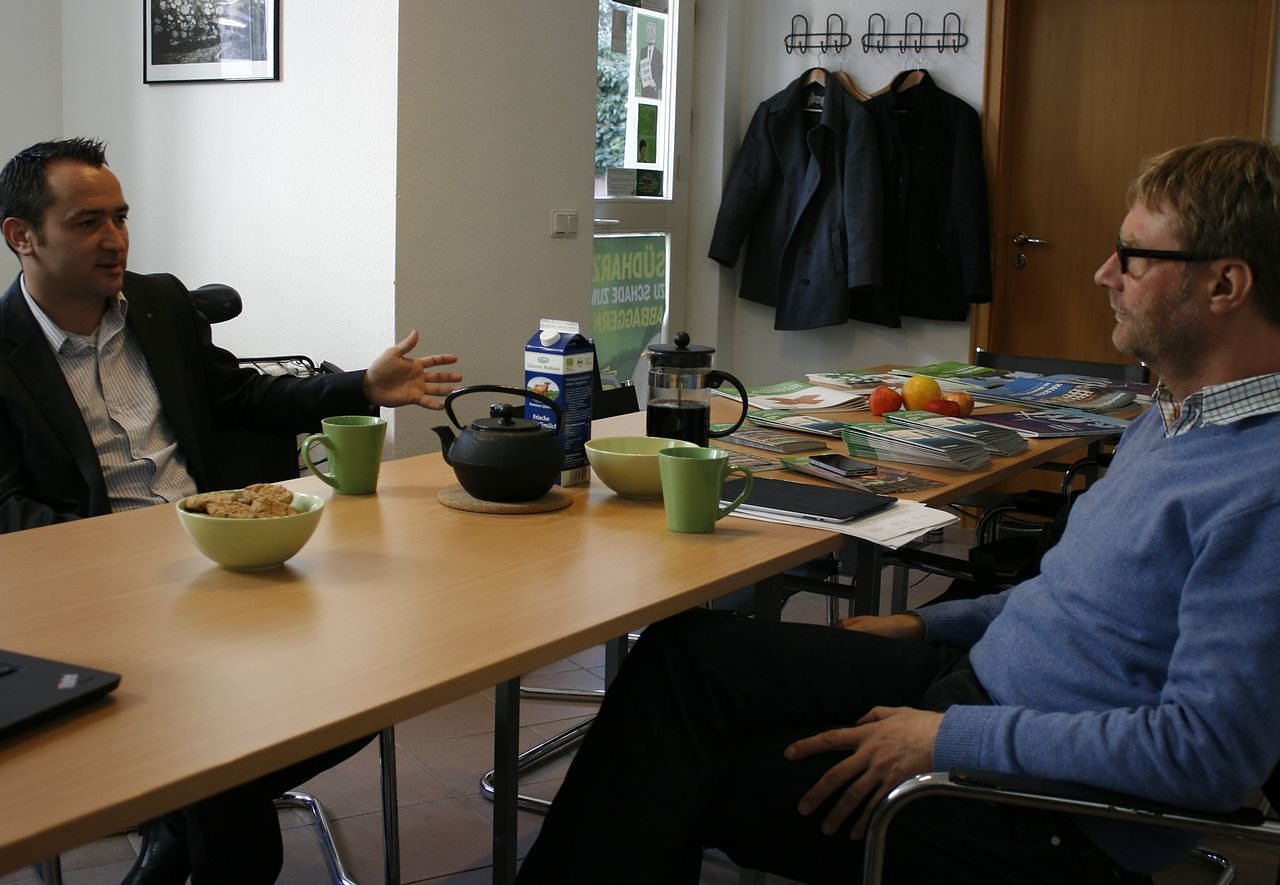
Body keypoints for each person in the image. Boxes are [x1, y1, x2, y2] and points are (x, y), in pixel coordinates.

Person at [515, 135, 1280, 884]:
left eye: (1135, 255)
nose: (1105, 272)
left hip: (1051, 814)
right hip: (977, 685)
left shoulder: (1261, 489)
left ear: (1225, 285)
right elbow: (1069, 597)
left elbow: (1205, 754)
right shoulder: (1175, 416)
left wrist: (951, 738)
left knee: (679, 769)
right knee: (684, 655)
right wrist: (926, 623)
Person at [0, 138, 463, 884]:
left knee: (383, 672)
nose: (114, 238)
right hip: (97, 603)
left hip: (225, 568)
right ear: (22, 235)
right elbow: (9, 514)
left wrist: (360, 387)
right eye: (88, 222)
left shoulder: (160, 303)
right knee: (229, 787)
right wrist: (135, 551)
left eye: (120, 217)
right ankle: (195, 818)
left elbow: (243, 396)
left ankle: (182, 817)